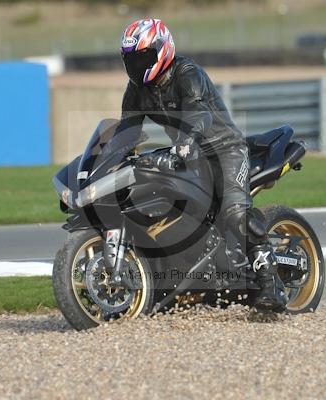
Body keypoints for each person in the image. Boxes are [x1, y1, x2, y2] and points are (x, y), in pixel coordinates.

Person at [113, 18, 287, 310]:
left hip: (224, 149)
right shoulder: (136, 89)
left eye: (143, 57)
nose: (137, 65)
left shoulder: (187, 73)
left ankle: (272, 282)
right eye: (131, 59)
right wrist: (110, 159)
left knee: (233, 212)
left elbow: (198, 114)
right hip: (188, 153)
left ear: (161, 49)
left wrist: (185, 142)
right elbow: (127, 130)